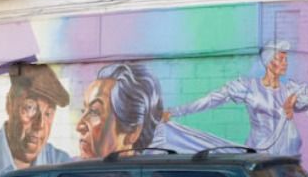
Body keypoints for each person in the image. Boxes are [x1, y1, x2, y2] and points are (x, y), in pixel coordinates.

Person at [162, 40, 308, 157]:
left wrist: (298, 98)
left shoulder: (290, 89)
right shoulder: (248, 86)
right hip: (257, 156)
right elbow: (212, 99)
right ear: (269, 62)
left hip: (284, 157)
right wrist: (175, 111)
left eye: (286, 59)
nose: (286, 63)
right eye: (281, 59)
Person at [76, 61, 227, 159]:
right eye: (83, 110)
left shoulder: (160, 170)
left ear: (133, 132)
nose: (79, 126)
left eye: (95, 111)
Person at [0, 63, 72, 177]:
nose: (40, 125)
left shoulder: (61, 164)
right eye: (30, 108)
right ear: (9, 104)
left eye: (48, 114)